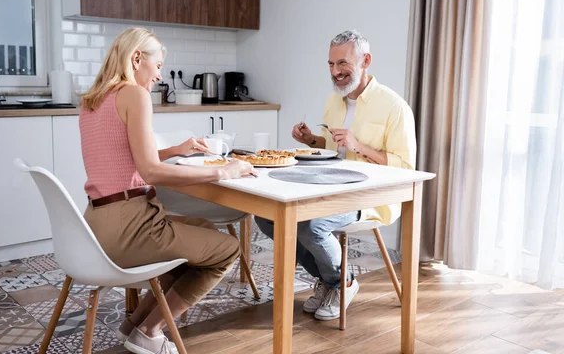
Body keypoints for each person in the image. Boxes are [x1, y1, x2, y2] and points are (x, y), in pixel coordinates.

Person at [79, 27, 256, 354]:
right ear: (136, 59)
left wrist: (174, 151)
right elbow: (148, 171)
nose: (160, 75)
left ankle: (133, 326)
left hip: (97, 225)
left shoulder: (93, 100)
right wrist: (223, 172)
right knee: (228, 250)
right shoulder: (134, 94)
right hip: (130, 228)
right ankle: (150, 331)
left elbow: (122, 158)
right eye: (158, 65)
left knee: (201, 231)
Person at [255, 30, 416, 321]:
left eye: (343, 63)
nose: (335, 72)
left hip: (368, 197)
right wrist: (310, 140)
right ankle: (332, 282)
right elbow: (333, 149)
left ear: (366, 60)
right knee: (266, 217)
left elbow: (405, 168)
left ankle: (343, 284)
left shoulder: (395, 107)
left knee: (311, 225)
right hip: (329, 186)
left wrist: (360, 146)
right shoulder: (334, 100)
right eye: (330, 64)